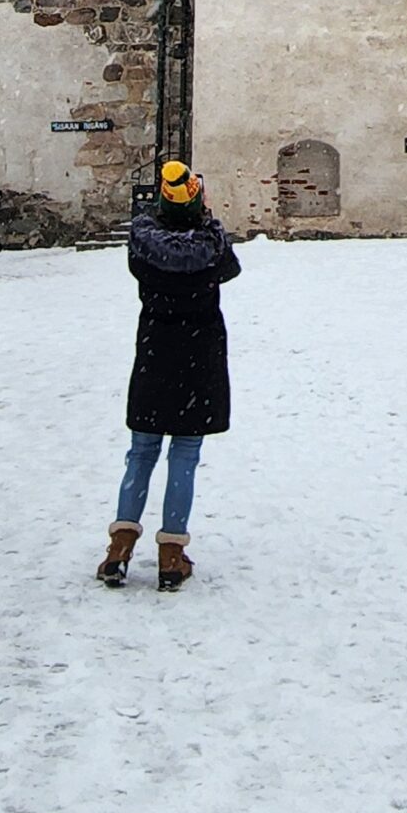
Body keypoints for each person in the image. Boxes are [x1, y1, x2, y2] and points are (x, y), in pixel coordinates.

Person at [96, 159, 241, 592]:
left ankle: (119, 548)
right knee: (185, 453)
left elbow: (140, 264)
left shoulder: (144, 245)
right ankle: (172, 554)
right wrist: (206, 223)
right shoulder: (210, 247)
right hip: (199, 354)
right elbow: (230, 268)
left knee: (141, 451)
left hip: (155, 352)